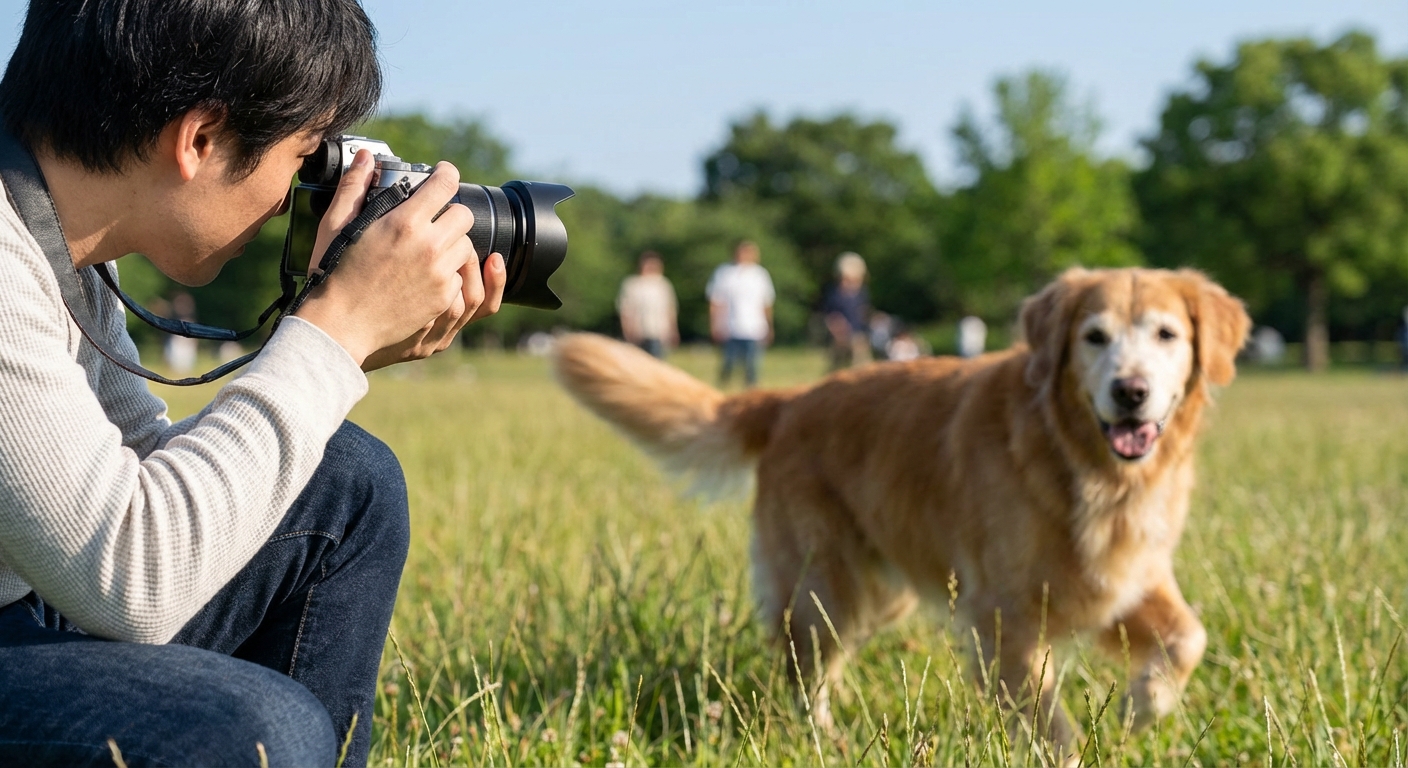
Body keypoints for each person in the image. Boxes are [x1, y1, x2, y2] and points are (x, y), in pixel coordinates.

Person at [0, 2, 506, 766]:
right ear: (199, 139)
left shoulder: (56, 236)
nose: (289, 200)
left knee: (347, 482)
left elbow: (132, 473)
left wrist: (339, 339)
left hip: (25, 604)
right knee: (252, 731)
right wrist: (334, 334)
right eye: (302, 157)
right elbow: (130, 579)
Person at [707, 240, 775, 387]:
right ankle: (723, 388)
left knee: (752, 366)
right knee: (728, 363)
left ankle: (751, 391)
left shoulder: (760, 274)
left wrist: (769, 326)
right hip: (730, 327)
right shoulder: (724, 273)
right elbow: (716, 301)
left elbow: (766, 303)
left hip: (755, 327)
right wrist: (715, 324)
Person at [616, 251, 678, 359]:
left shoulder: (663, 285)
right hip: (638, 331)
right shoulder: (632, 284)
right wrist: (627, 329)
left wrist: (673, 330)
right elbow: (625, 310)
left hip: (659, 332)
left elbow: (670, 309)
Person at [821, 252, 871, 370]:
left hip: (858, 335)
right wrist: (836, 329)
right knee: (837, 368)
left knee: (861, 366)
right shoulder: (834, 294)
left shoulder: (862, 293)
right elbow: (830, 315)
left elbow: (864, 312)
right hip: (839, 337)